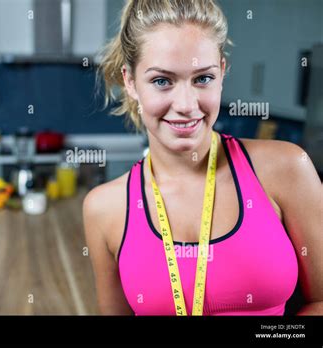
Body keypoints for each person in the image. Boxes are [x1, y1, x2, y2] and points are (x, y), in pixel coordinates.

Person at [83, 0, 322, 315]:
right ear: (130, 82)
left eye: (202, 78)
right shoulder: (105, 209)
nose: (186, 103)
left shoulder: (287, 168)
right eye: (162, 81)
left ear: (222, 72)